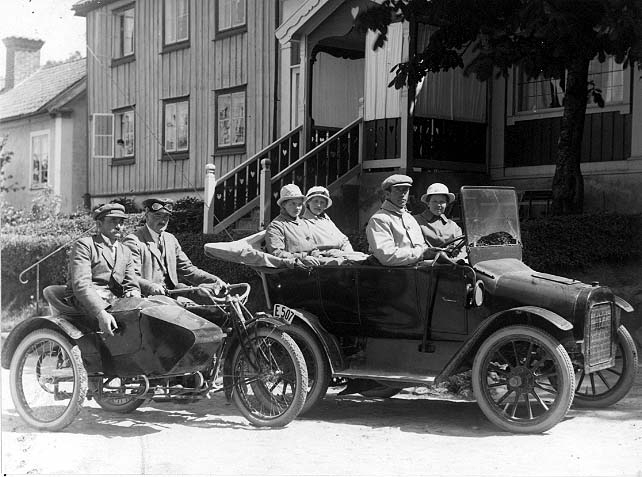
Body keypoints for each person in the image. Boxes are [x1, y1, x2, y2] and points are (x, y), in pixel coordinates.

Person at [61, 203, 141, 336]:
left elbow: (131, 283)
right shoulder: (85, 245)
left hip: (114, 299)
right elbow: (81, 285)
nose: (118, 226)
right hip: (84, 299)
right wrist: (100, 311)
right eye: (113, 221)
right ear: (99, 224)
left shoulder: (125, 251)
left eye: (121, 222)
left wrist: (133, 292)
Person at [123, 198, 226, 297]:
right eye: (157, 215)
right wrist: (151, 287)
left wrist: (215, 280)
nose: (162, 220)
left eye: (166, 216)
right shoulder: (133, 241)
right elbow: (132, 276)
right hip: (146, 301)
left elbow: (188, 269)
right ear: (147, 214)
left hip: (172, 297)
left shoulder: (170, 239)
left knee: (212, 307)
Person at [365, 174, 435, 266]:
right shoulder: (379, 219)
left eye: (405, 190)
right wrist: (421, 254)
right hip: (393, 274)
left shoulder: (409, 218)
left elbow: (421, 246)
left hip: (414, 271)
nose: (402, 194)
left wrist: (431, 252)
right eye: (398, 190)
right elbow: (387, 256)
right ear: (387, 194)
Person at [265, 184, 321, 266]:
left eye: (299, 204)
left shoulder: (304, 223)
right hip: (293, 269)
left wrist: (316, 255)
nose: (297, 207)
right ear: (284, 204)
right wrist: (302, 258)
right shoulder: (276, 226)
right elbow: (277, 254)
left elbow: (313, 248)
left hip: (313, 264)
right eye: (293, 203)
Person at [414, 183, 464, 259]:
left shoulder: (453, 226)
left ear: (446, 204)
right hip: (426, 267)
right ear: (428, 203)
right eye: (434, 201)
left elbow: (461, 250)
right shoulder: (415, 221)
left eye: (442, 202)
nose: (438, 205)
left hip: (451, 265)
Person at [302, 185, 353, 256]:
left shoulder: (326, 220)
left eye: (322, 202)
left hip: (342, 254)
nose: (319, 205)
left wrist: (350, 253)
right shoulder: (303, 222)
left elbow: (344, 240)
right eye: (315, 201)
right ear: (308, 202)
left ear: (325, 206)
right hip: (325, 257)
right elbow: (306, 248)